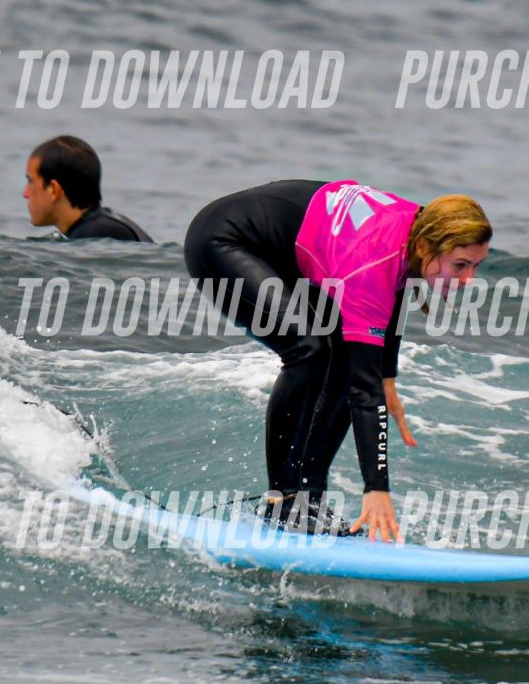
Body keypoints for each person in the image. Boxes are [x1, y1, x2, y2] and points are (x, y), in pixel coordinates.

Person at [183, 179, 490, 542]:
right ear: (425, 246)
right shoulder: (374, 261)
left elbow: (395, 288)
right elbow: (364, 391)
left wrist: (387, 377)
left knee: (345, 363)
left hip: (294, 255)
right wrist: (376, 488)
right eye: (460, 265)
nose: (468, 279)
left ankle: (309, 499)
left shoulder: (418, 230)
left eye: (476, 265)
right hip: (225, 241)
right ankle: (284, 501)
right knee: (309, 350)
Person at [25, 135, 152, 242]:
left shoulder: (95, 235)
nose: (25, 193)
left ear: (53, 189)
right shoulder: (107, 225)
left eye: (31, 181)